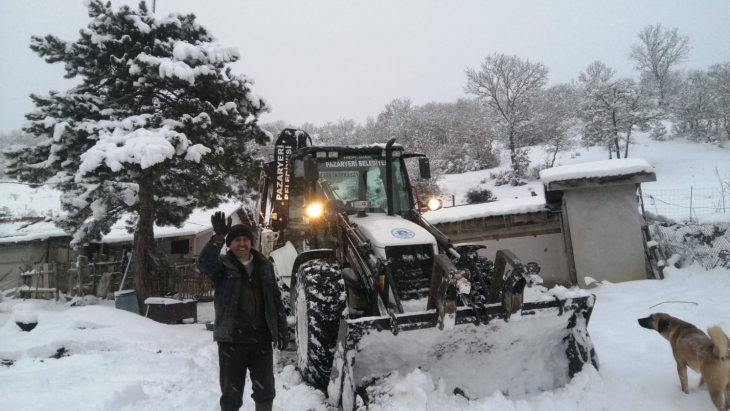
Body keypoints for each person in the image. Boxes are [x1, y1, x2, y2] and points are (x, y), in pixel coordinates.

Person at [197, 211, 288, 411]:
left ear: (251, 243)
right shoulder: (222, 266)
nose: (241, 243)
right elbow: (203, 264)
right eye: (236, 240)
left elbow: (275, 300)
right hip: (232, 340)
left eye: (245, 239)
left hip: (261, 339)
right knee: (231, 393)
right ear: (230, 245)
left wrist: (281, 329)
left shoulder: (264, 266)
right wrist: (218, 238)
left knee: (265, 391)